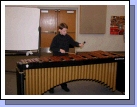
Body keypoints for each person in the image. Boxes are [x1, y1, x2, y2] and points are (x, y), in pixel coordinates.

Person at [49, 23, 84, 94]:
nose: (66, 32)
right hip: (56, 57)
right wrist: (59, 49)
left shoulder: (67, 37)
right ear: (59, 30)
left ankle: (64, 85)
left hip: (65, 57)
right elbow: (51, 48)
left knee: (64, 72)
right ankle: (51, 87)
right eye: (64, 31)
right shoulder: (56, 38)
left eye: (66, 31)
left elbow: (73, 42)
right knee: (55, 73)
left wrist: (79, 44)